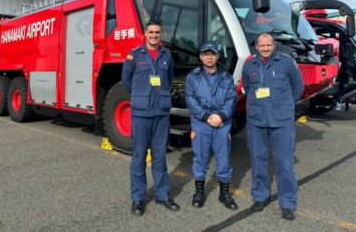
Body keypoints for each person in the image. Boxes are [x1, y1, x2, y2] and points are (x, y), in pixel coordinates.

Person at [242, 32, 304, 221]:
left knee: (284, 163)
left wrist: (283, 105)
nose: (265, 48)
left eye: (268, 45)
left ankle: (287, 203)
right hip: (256, 121)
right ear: (257, 46)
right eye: (262, 45)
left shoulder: (286, 63)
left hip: (281, 121)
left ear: (274, 45)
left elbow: (298, 87)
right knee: (258, 159)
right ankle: (260, 196)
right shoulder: (249, 65)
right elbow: (247, 87)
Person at [121, 19, 179, 216]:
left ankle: (162, 195)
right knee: (138, 157)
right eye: (151, 32)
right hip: (141, 113)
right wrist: (140, 95)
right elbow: (126, 81)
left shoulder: (166, 56)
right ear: (145, 33)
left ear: (160, 35)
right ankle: (138, 198)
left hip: (161, 113)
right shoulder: (135, 55)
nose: (154, 35)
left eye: (158, 32)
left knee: (160, 156)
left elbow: (169, 79)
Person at [184, 41, 238, 210]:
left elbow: (231, 99)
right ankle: (199, 192)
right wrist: (207, 116)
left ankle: (224, 194)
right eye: (206, 54)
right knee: (200, 159)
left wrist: (221, 115)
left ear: (217, 56)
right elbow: (190, 100)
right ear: (201, 56)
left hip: (222, 123)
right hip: (201, 123)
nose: (209, 57)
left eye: (212, 54)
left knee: (224, 159)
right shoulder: (192, 77)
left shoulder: (226, 77)